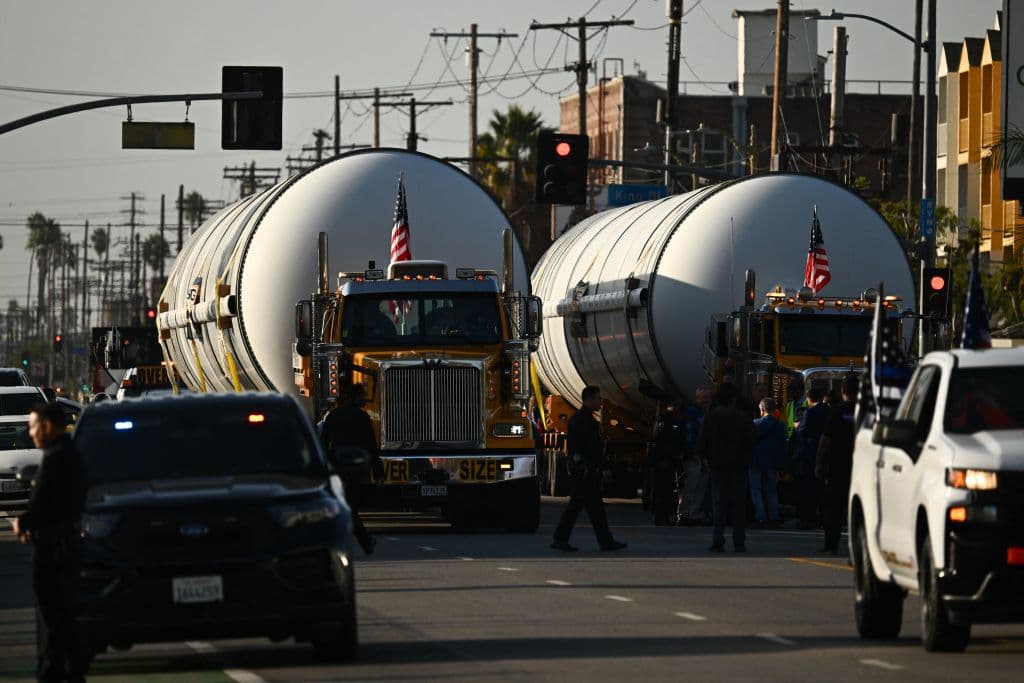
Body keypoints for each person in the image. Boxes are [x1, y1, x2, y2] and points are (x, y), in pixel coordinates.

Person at [11, 402, 88, 683]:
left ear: (46, 426)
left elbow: (44, 503)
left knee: (51, 614)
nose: (30, 433)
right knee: (62, 613)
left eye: (32, 427)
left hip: (54, 549)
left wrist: (24, 522)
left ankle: (54, 671)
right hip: (65, 546)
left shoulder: (57, 458)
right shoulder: (69, 454)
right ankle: (67, 669)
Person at [551, 386, 627, 552]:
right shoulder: (584, 420)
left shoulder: (580, 418)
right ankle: (563, 539)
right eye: (599, 399)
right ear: (590, 399)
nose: (601, 402)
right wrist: (602, 467)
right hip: (586, 471)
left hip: (583, 469)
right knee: (584, 506)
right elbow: (591, 448)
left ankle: (603, 541)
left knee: (591, 507)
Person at [321, 384, 383, 556]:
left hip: (337, 469)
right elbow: (371, 446)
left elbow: (322, 444)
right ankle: (364, 541)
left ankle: (358, 541)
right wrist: (378, 470)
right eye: (362, 395)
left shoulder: (332, 416)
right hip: (358, 470)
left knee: (346, 508)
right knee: (350, 507)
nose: (364, 398)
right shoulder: (362, 417)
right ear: (354, 397)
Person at [697, 383, 756, 553]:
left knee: (719, 504)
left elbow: (702, 440)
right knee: (739, 504)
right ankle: (739, 542)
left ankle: (718, 541)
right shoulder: (743, 417)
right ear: (733, 399)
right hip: (739, 465)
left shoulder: (711, 416)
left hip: (718, 466)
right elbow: (753, 438)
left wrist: (704, 458)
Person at [816, 375, 859, 555]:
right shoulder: (866, 413)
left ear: (842, 392)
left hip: (837, 468)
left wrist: (819, 462)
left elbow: (825, 440)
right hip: (860, 469)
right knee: (858, 511)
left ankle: (830, 545)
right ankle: (858, 548)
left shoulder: (836, 413)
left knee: (833, 509)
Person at [792, 385, 828, 530]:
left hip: (810, 454)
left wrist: (797, 426)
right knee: (822, 490)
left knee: (810, 489)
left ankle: (810, 519)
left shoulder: (810, 412)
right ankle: (824, 518)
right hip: (826, 454)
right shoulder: (828, 411)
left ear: (809, 399)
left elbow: (803, 431)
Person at [677, 386, 712, 526]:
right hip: (693, 457)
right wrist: (693, 453)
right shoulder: (692, 413)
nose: (706, 400)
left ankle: (694, 513)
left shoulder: (705, 413)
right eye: (703, 397)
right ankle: (684, 513)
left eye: (708, 397)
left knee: (700, 486)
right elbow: (689, 435)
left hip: (703, 456)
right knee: (691, 485)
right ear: (697, 398)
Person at [750, 398, 786, 528]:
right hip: (773, 462)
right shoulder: (781, 425)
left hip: (756, 461)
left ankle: (761, 518)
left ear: (762, 409)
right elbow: (783, 446)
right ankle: (774, 517)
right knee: (771, 491)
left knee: (756, 490)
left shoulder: (755, 424)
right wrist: (782, 465)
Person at [650, 400, 685, 525]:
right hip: (666, 461)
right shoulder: (671, 422)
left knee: (663, 490)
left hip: (664, 460)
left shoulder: (663, 420)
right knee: (666, 490)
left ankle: (662, 516)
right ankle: (663, 517)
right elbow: (671, 442)